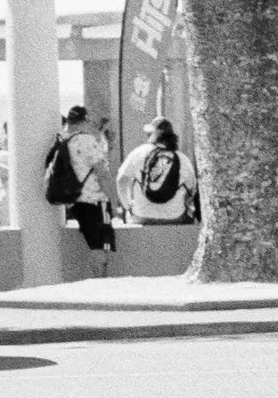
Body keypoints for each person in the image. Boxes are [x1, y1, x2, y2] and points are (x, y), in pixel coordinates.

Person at [53, 105, 116, 278]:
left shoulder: (63, 140)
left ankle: (99, 281)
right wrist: (114, 201)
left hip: (76, 201)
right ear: (85, 121)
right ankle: (100, 284)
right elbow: (102, 172)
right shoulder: (87, 140)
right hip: (95, 200)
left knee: (94, 243)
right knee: (100, 246)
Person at [115, 117, 199, 223]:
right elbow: (192, 188)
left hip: (141, 215)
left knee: (127, 217)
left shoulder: (138, 152)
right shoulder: (182, 158)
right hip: (174, 217)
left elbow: (121, 179)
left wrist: (127, 205)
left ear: (152, 135)